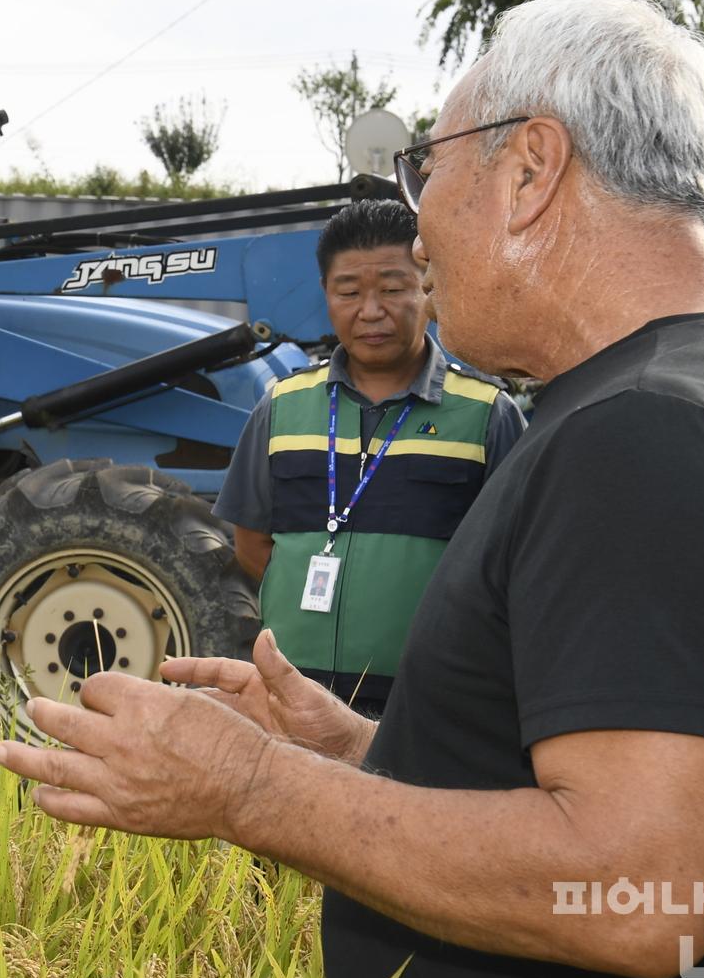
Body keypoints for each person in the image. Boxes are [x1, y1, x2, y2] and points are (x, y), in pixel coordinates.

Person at [0, 0, 704, 978]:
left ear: (531, 170)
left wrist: (252, 789)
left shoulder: (655, 435)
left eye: (429, 169)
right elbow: (611, 796)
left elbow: (646, 894)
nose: (417, 224)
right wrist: (361, 750)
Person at [213, 198, 524, 716]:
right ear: (326, 296)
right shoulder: (282, 406)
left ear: (426, 287)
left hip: (429, 702)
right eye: (350, 292)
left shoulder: (487, 414)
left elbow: (513, 567)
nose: (371, 311)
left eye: (393, 289)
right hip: (292, 694)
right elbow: (252, 543)